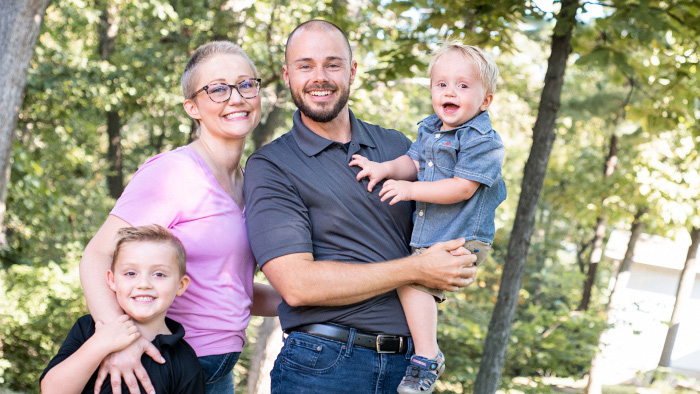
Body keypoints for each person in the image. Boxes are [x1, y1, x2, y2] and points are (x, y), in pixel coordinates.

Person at [243, 20, 478, 394]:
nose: (319, 77)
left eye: (333, 64)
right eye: (305, 66)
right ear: (288, 75)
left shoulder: (397, 147)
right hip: (323, 364)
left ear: (352, 71)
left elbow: (446, 222)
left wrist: (458, 258)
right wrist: (417, 268)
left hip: (410, 366)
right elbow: (297, 286)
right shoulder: (272, 165)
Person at [79, 41, 281, 394]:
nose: (235, 97)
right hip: (161, 366)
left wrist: (320, 296)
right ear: (193, 107)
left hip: (219, 372)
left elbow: (230, 289)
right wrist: (117, 339)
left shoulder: (251, 185)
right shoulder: (173, 173)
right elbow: (96, 256)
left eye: (246, 84)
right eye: (217, 89)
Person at [349, 41, 507, 394]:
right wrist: (383, 169)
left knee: (411, 280)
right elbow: (413, 162)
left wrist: (409, 191)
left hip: (463, 235)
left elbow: (462, 189)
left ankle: (426, 357)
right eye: (442, 84)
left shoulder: (485, 142)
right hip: (434, 232)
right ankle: (425, 353)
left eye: (463, 86)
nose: (450, 91)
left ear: (485, 101)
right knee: (409, 278)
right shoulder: (431, 129)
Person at [41, 225, 205, 394]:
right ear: (112, 280)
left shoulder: (185, 363)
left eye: (159, 274)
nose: (144, 284)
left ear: (180, 285)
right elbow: (51, 390)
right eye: (131, 273)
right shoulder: (89, 328)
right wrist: (101, 343)